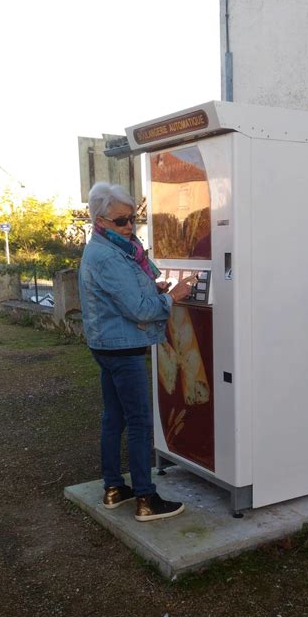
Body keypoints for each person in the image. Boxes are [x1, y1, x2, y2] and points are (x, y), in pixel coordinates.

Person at [79, 182, 195, 521]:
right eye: (121, 221)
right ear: (100, 221)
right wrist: (174, 297)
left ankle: (114, 488)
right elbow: (141, 311)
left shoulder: (110, 247)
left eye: (133, 219)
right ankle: (146, 498)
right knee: (140, 422)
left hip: (107, 345)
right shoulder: (109, 255)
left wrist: (152, 287)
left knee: (113, 418)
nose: (130, 226)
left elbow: (124, 295)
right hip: (122, 348)